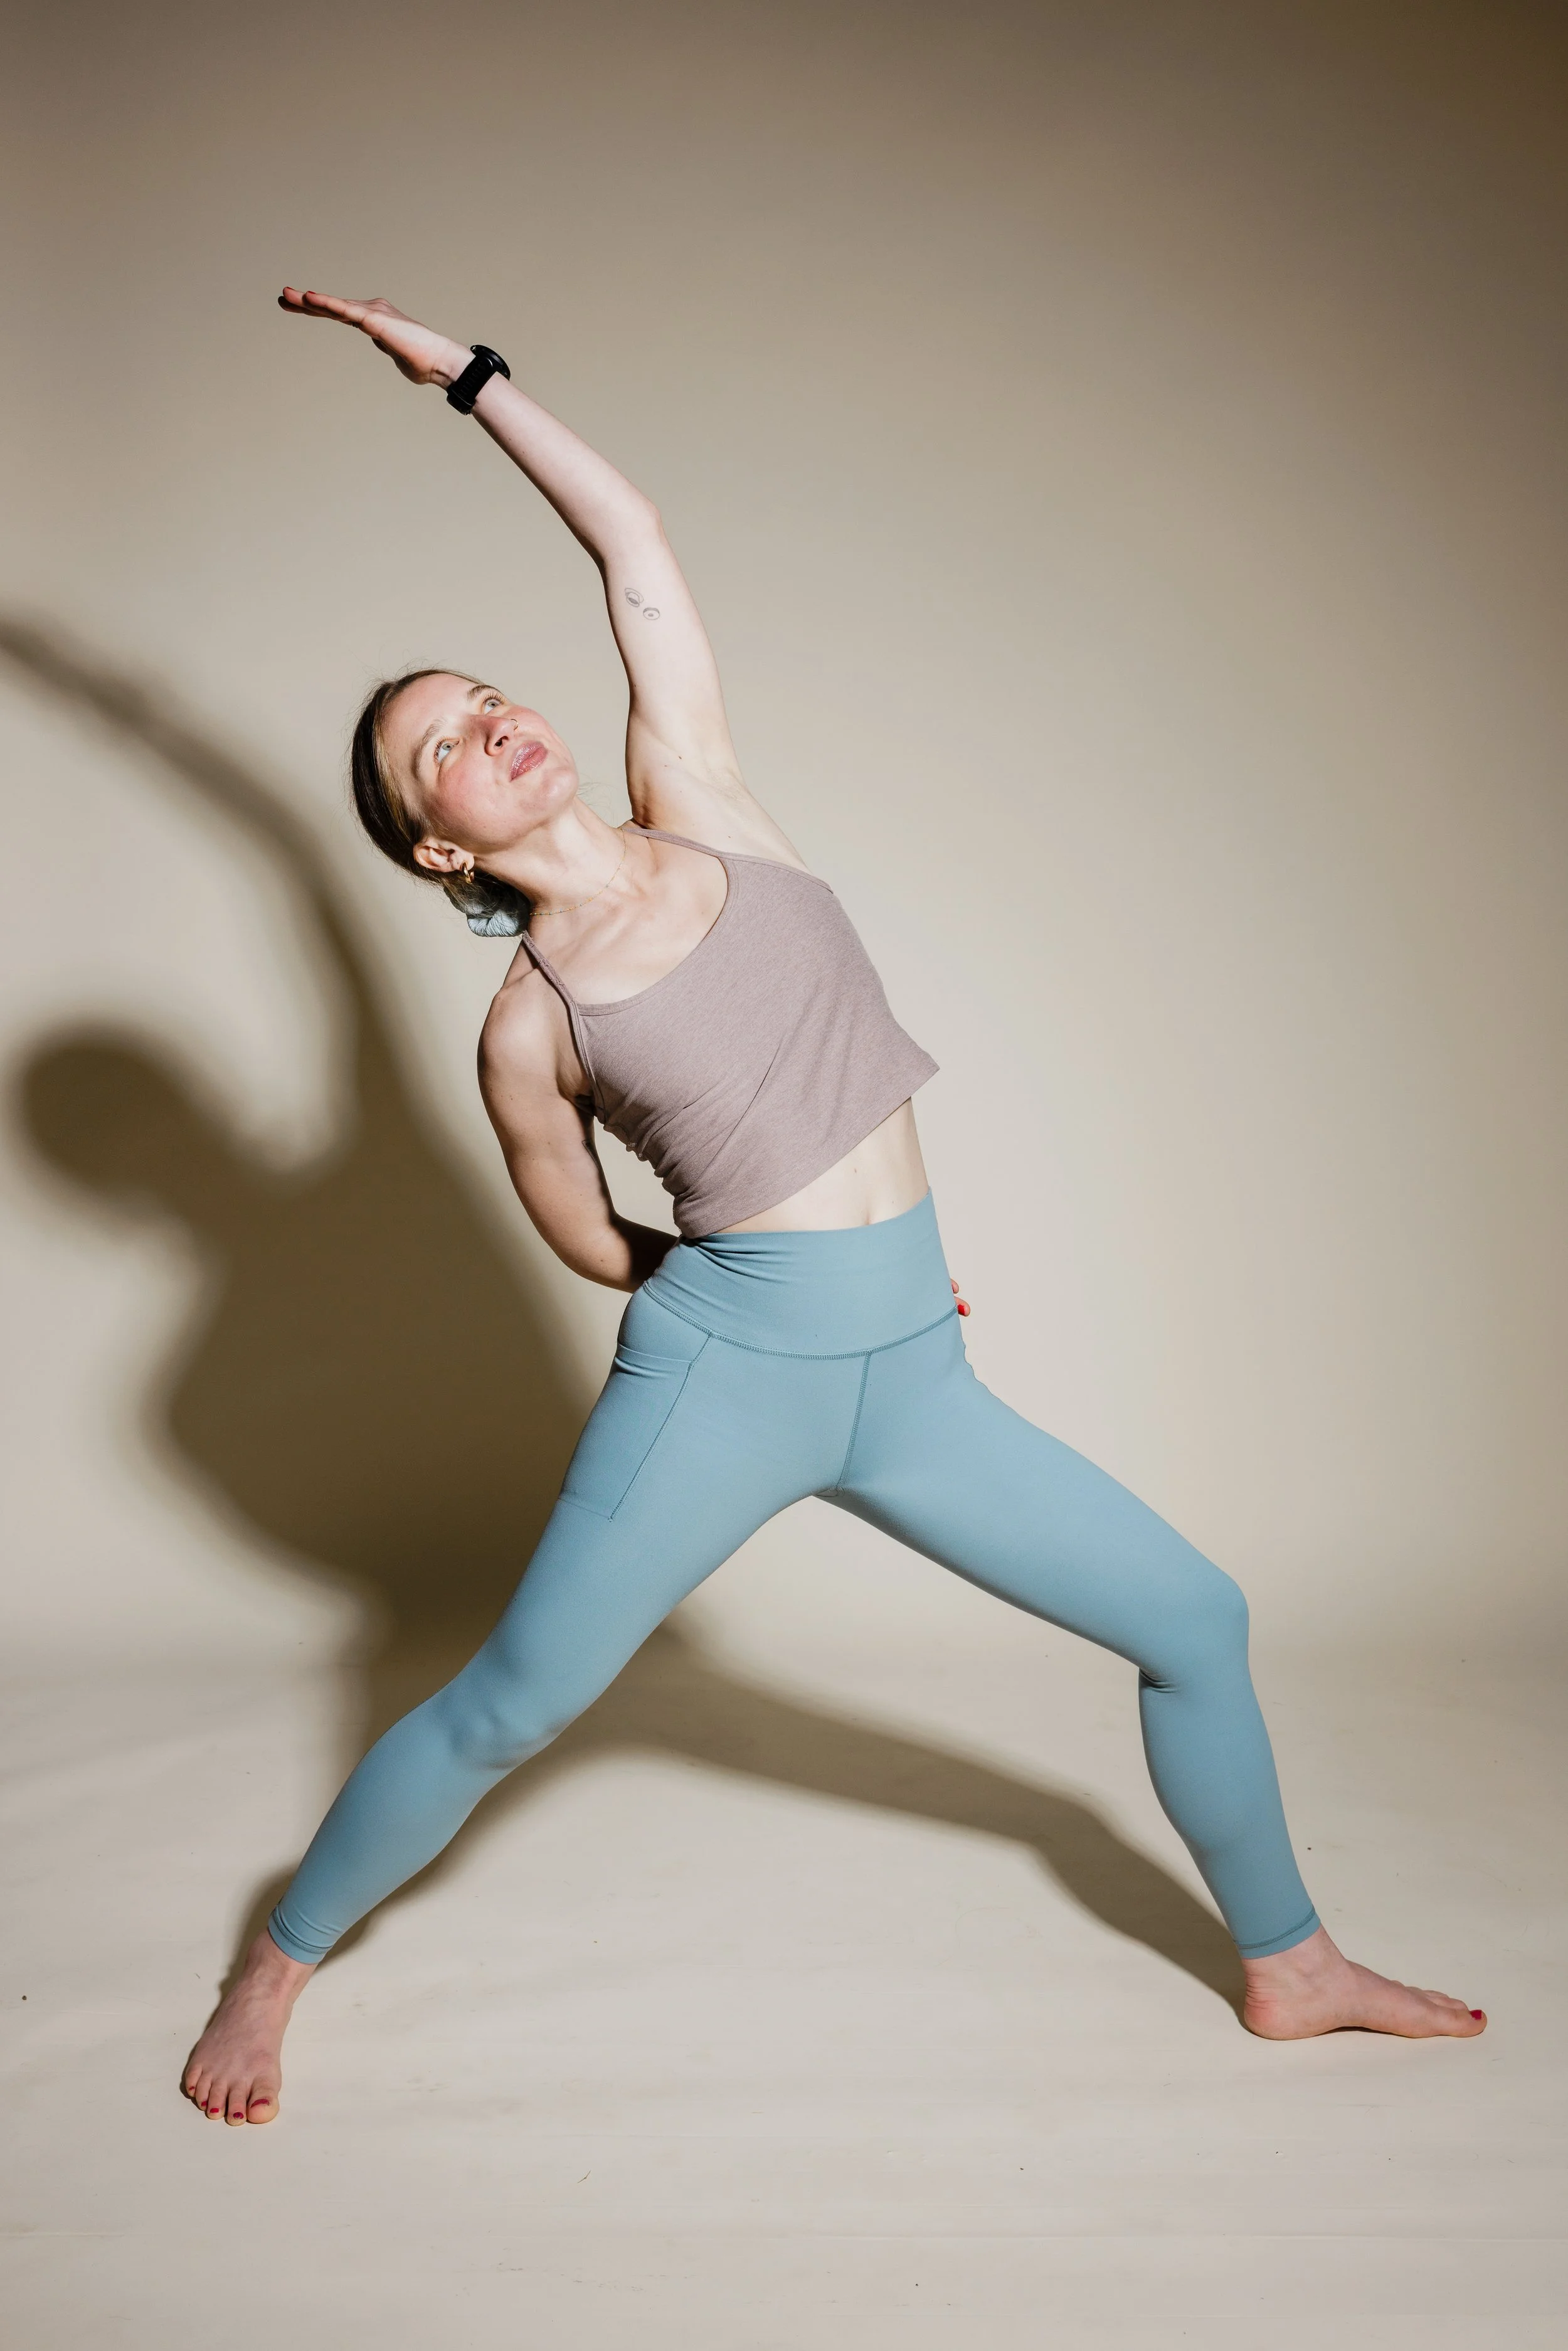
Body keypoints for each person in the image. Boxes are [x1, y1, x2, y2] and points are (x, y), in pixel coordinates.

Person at [183, 288, 1486, 2127]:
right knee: (504, 1710)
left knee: (1193, 1615)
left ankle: (1288, 1961)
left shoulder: (699, 798)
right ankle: (281, 1950)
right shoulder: (526, 1024)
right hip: (735, 1372)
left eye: (488, 696)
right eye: (447, 750)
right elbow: (568, 1225)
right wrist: (745, 1287)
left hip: (912, 1373)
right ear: (436, 850)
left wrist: (467, 381)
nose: (497, 726)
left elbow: (630, 548)